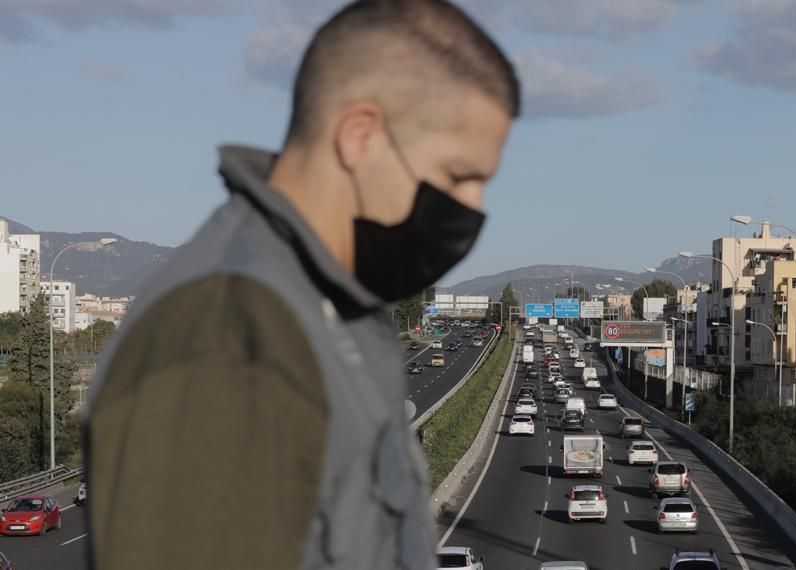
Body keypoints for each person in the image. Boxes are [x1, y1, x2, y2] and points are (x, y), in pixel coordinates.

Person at [84, 1, 519, 568]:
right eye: (460, 176)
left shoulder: (338, 313)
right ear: (360, 135)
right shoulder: (225, 333)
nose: (474, 209)